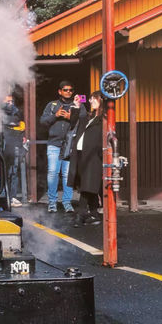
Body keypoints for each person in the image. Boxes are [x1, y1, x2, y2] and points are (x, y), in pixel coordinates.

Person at [39, 80, 82, 214]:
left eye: (70, 90)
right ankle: (52, 203)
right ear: (60, 91)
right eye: (65, 90)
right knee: (53, 173)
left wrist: (71, 116)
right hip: (54, 144)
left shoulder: (77, 105)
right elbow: (43, 122)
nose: (68, 92)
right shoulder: (52, 105)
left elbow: (84, 121)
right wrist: (55, 115)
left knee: (67, 175)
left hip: (70, 145)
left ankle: (67, 203)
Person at [67, 90, 104, 226]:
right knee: (88, 184)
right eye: (89, 99)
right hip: (82, 154)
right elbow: (73, 122)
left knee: (87, 185)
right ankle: (94, 213)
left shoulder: (103, 118)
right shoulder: (90, 116)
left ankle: (81, 213)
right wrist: (76, 106)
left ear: (101, 101)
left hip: (94, 155)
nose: (90, 101)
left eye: (93, 99)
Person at [2, 94, 24, 206]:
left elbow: (17, 122)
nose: (10, 104)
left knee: (14, 172)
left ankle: (12, 197)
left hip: (14, 144)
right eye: (7, 102)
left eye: (11, 102)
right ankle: (0, 197)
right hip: (2, 145)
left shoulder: (16, 112)